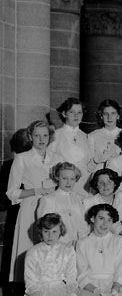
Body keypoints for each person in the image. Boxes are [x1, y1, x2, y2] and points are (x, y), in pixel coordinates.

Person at [6, 120, 62, 282]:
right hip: (30, 208)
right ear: (30, 137)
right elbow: (12, 192)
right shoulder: (22, 158)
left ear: (50, 137)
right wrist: (36, 191)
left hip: (52, 205)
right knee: (29, 247)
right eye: (37, 135)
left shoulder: (57, 158)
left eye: (45, 135)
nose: (41, 139)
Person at [50, 97, 94, 195]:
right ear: (64, 114)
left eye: (79, 112)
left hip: (84, 188)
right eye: (72, 112)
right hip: (63, 187)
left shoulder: (87, 137)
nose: (76, 116)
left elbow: (90, 165)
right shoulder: (55, 135)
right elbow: (50, 164)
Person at [37, 162, 88, 242]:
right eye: (64, 178)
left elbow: (83, 226)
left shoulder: (80, 199)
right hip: (57, 245)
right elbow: (44, 230)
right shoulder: (48, 200)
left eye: (72, 179)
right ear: (57, 177)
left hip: (77, 244)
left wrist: (81, 244)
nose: (68, 182)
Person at [88, 100, 122, 168]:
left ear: (118, 116)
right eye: (105, 114)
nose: (109, 117)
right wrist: (97, 160)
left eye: (113, 113)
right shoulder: (93, 136)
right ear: (101, 116)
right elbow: (88, 167)